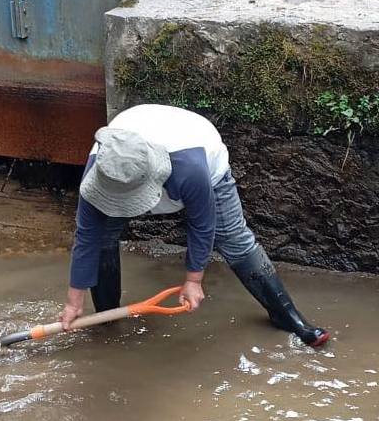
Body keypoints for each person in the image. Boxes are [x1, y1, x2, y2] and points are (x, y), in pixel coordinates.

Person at [59, 104, 329, 347]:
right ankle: (107, 321)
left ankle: (288, 318)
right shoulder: (102, 172)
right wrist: (74, 302)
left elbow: (202, 224)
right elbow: (86, 238)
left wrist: (193, 280)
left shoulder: (191, 169)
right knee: (102, 239)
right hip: (130, 155)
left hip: (198, 159)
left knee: (235, 239)